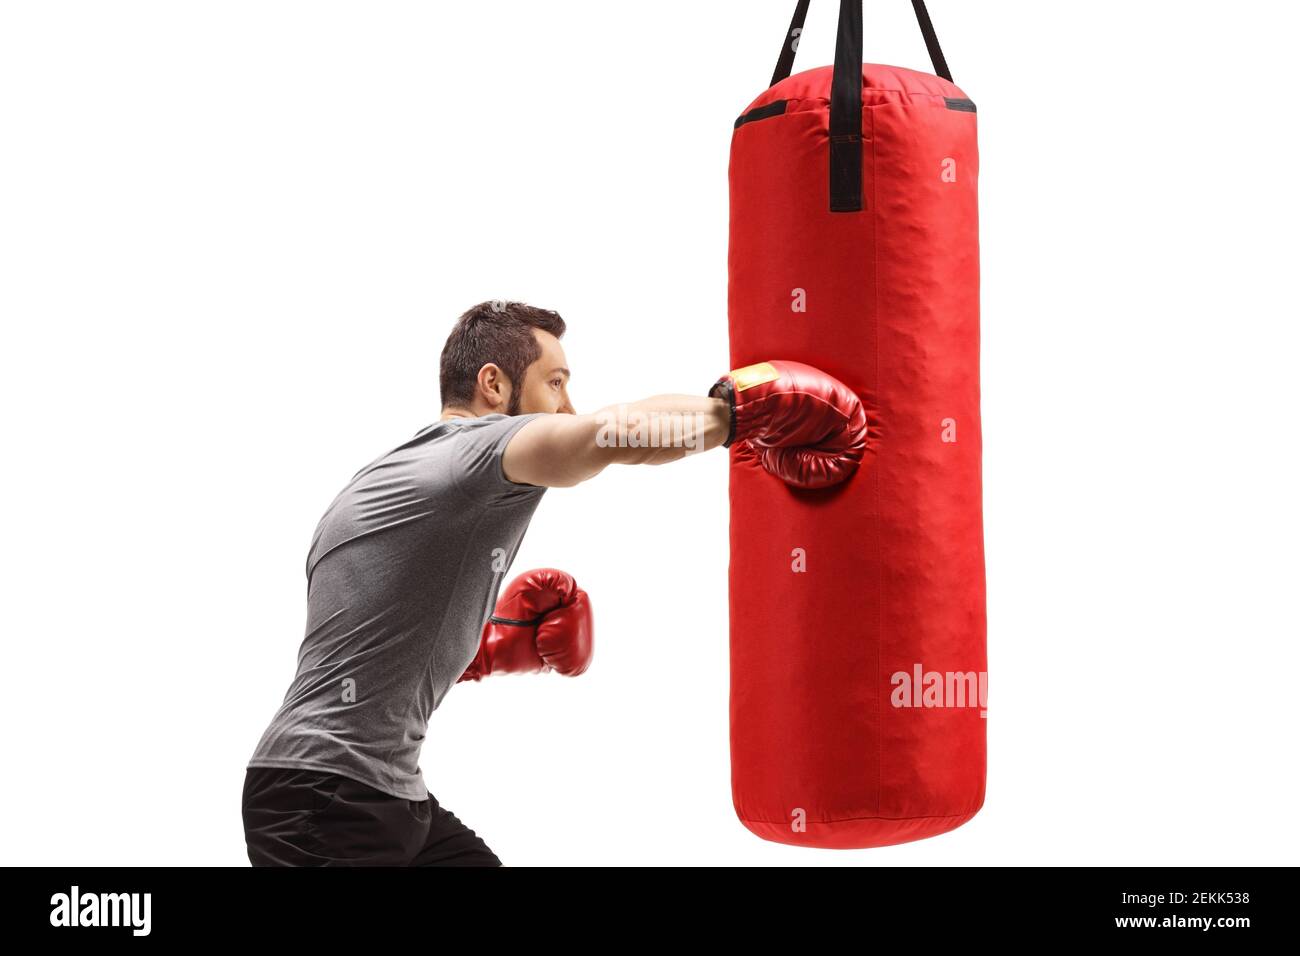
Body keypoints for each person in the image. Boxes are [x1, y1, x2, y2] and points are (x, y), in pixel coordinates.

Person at [241, 299, 866, 865]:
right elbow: (613, 434)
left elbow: (367, 635)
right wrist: (743, 410)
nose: (566, 405)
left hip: (377, 790)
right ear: (493, 385)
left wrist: (486, 651)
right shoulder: (473, 453)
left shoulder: (389, 475)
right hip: (324, 801)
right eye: (555, 383)